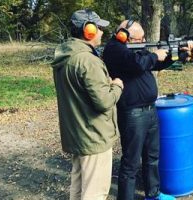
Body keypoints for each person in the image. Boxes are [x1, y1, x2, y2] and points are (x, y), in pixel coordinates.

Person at [103, 20, 193, 200]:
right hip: (132, 113)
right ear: (124, 35)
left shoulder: (134, 48)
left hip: (150, 110)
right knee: (130, 163)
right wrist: (155, 55)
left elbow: (154, 64)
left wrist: (180, 55)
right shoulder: (114, 49)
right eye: (140, 39)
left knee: (152, 157)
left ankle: (153, 194)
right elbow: (138, 64)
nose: (143, 40)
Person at [51, 9, 123, 200]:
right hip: (93, 137)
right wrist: (117, 86)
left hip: (78, 135)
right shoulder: (88, 61)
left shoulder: (66, 56)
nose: (101, 32)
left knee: (78, 187)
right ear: (88, 30)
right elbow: (104, 102)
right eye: (98, 28)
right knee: (95, 193)